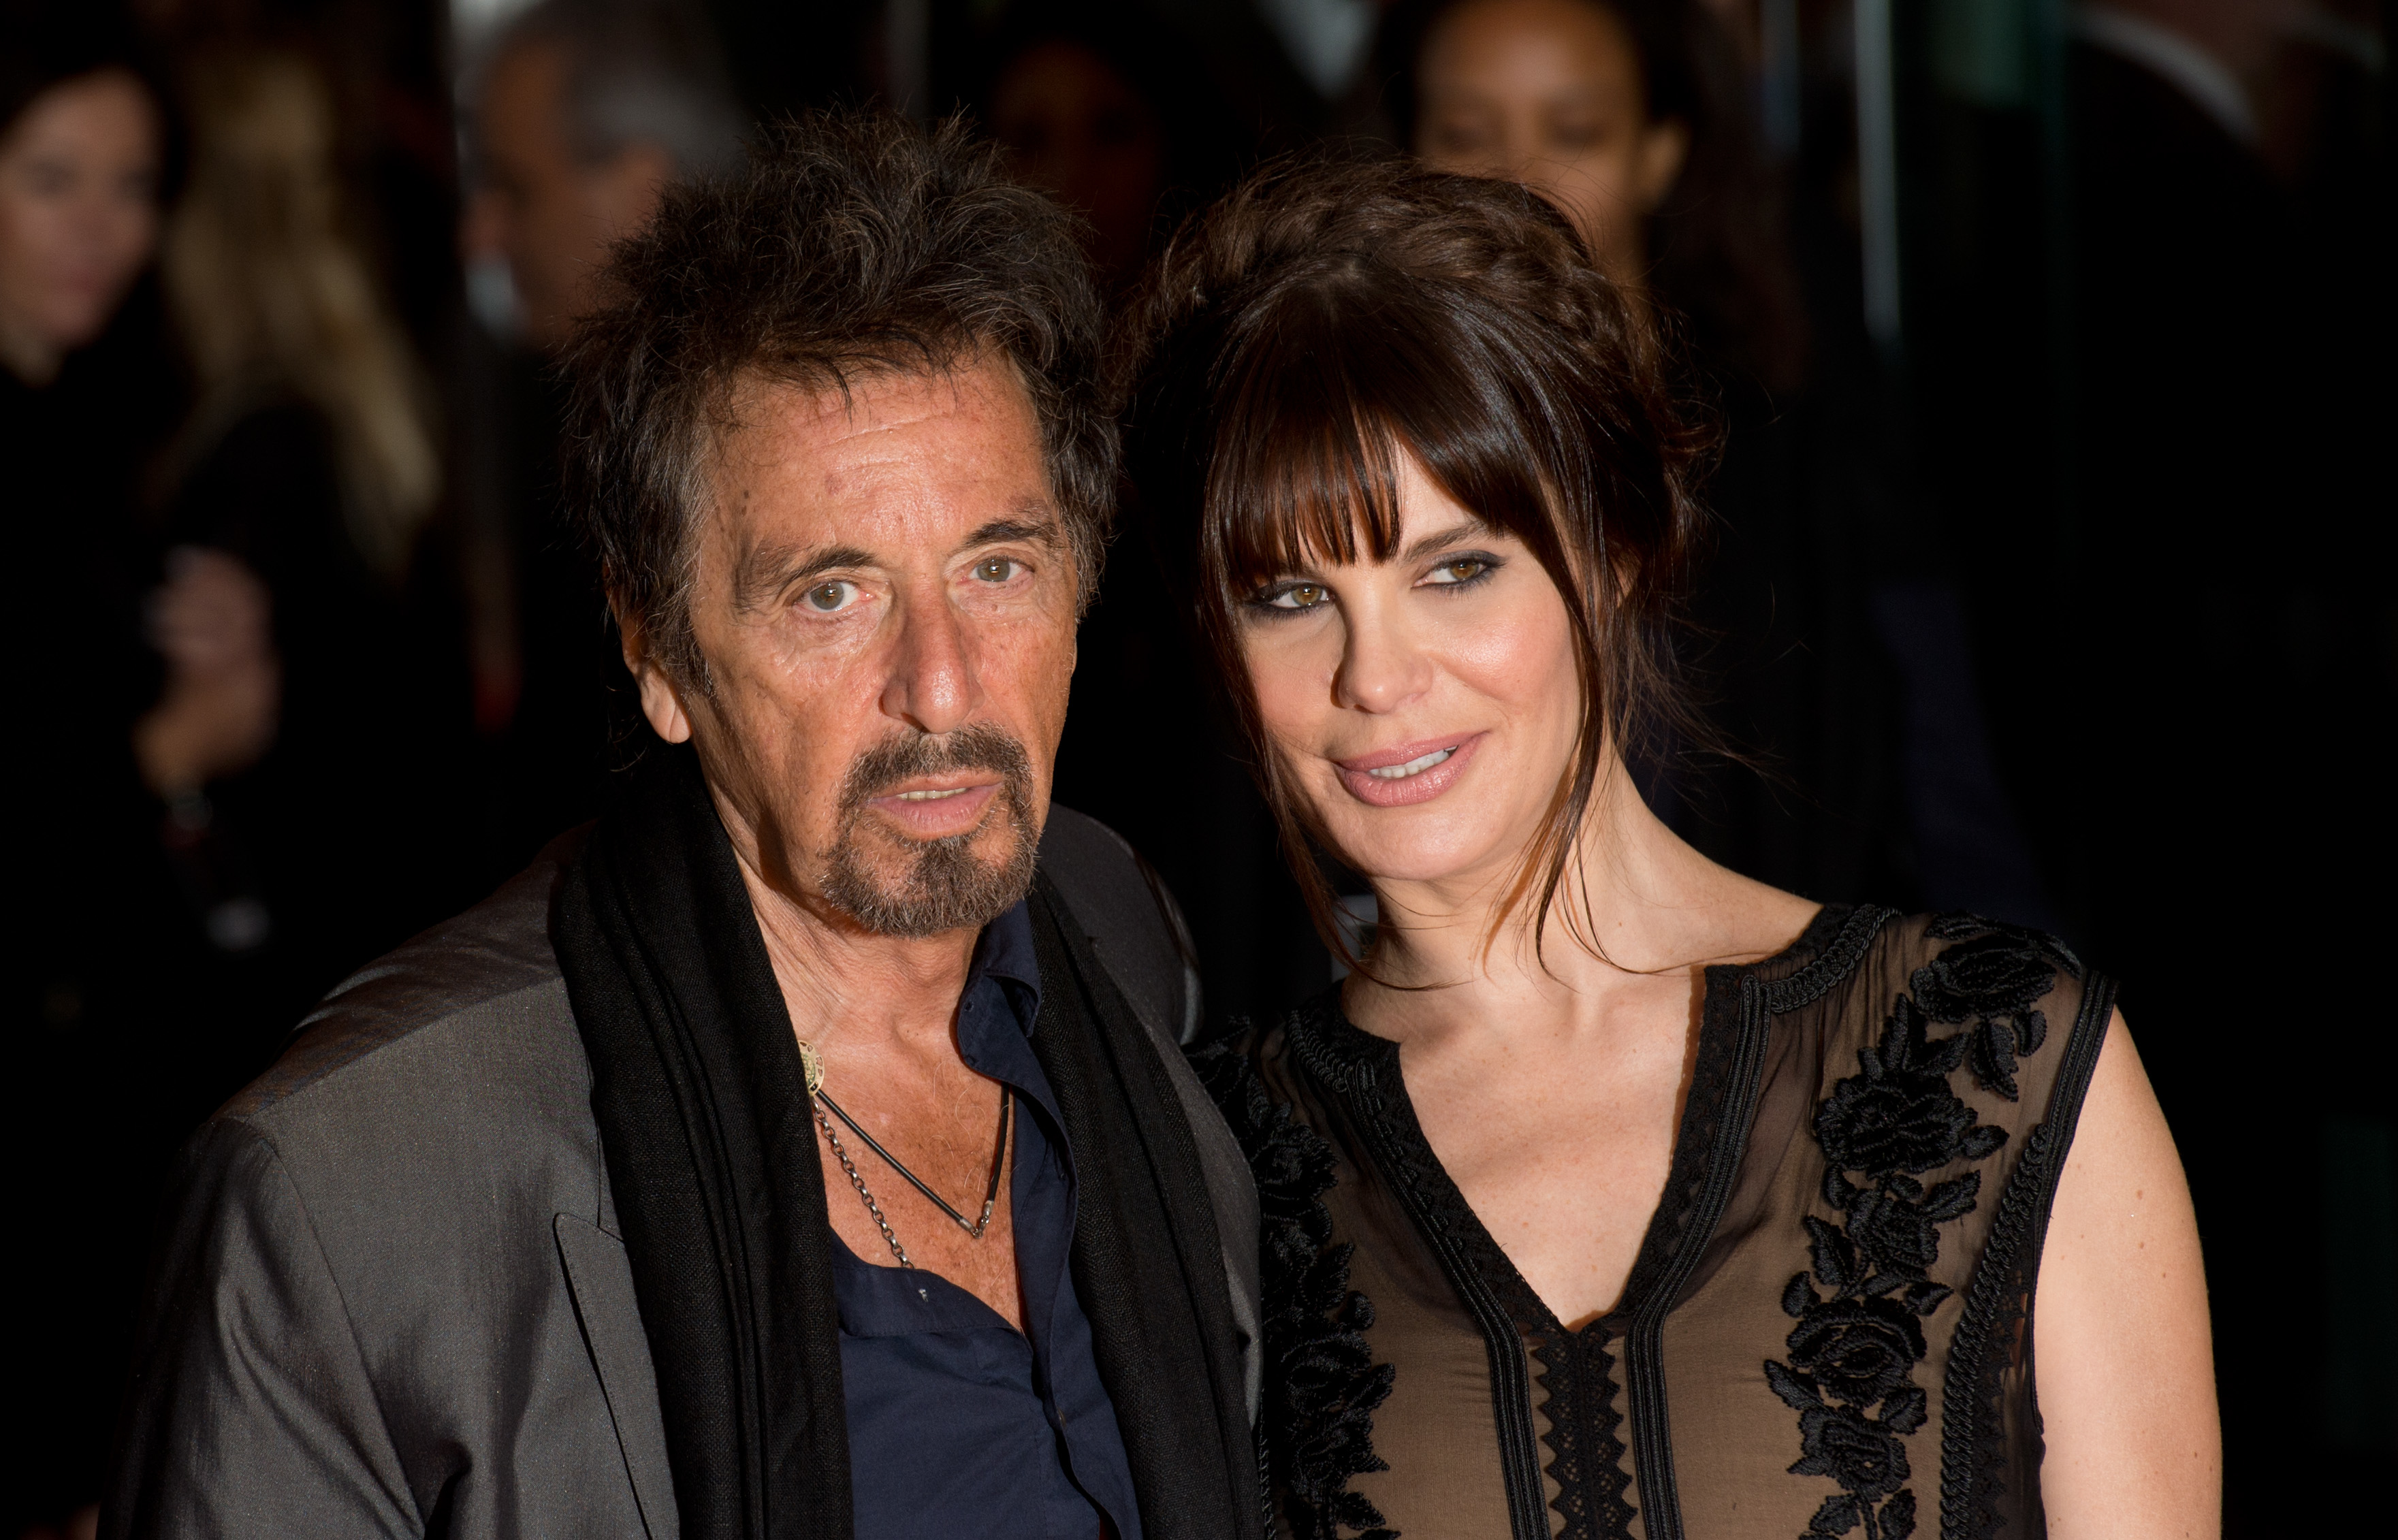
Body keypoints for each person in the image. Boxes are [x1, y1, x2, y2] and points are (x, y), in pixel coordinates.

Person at [103, 112, 1262, 1540]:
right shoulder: (349, 1189)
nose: (941, 686)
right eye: (831, 594)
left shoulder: (1126, 940)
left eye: (998, 566)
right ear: (658, 651)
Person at [1121, 160, 2218, 1538]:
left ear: (1618, 543)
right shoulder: (1204, 1160)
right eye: (1290, 596)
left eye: (1456, 569)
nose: (1376, 676)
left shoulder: (2002, 1055)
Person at [1379, 0, 2049, 923]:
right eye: (1464, 132)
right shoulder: (1353, 441)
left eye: (1573, 131)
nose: (1517, 180)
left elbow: (1932, 750)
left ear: (1660, 149)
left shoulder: (1785, 430)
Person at [138, 44, 462, 1044]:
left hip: (297, 997)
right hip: (394, 952)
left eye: (139, 184)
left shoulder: (254, 459)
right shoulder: (365, 417)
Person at [455, 0, 748, 868]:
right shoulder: (569, 411)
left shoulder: (743, 452)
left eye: (514, 187)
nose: (485, 233)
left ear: (640, 187)